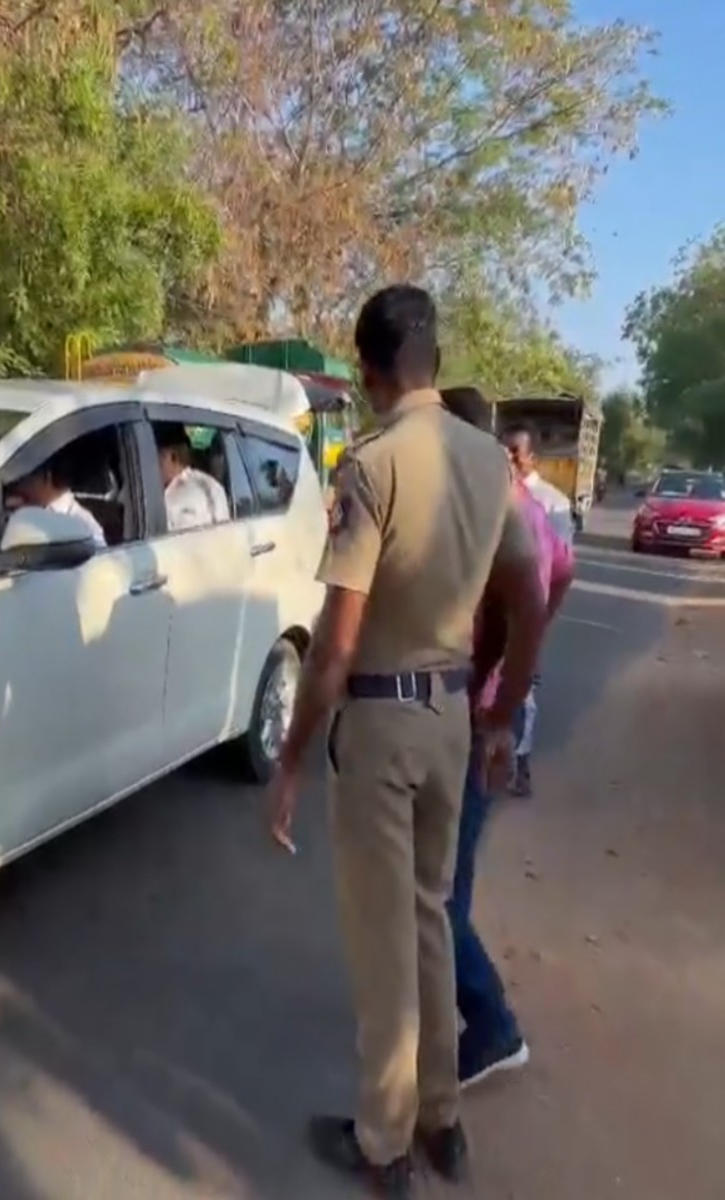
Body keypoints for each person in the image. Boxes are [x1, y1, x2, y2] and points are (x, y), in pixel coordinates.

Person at [264, 286, 547, 1197]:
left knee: (386, 942)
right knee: (428, 920)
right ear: (431, 356)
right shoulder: (485, 458)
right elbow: (529, 593)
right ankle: (441, 1118)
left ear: (371, 369)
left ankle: (384, 1147)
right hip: (453, 721)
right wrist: (503, 714)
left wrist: (294, 761)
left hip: (383, 724)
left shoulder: (372, 464)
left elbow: (336, 643)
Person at [442, 387, 576, 1088]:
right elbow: (561, 576)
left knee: (438, 897)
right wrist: (524, 656)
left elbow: (526, 595)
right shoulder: (516, 503)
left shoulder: (489, 509)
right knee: (439, 883)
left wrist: (493, 694)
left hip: (477, 725)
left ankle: (492, 1026)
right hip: (490, 714)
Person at [499, 425, 567, 796]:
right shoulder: (490, 493)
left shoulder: (552, 503)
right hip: (492, 609)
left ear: (531, 457)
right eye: (504, 450)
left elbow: (561, 567)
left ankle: (519, 765)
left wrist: (539, 618)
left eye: (515, 451)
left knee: (522, 690)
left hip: (527, 609)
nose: (509, 458)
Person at [8, 459, 107, 548]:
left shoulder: (85, 527)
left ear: (47, 477)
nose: (17, 484)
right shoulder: (19, 507)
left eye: (24, 478)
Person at [155, 426, 230, 531]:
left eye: (155, 456)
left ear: (172, 457)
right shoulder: (146, 489)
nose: (150, 464)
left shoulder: (208, 490)